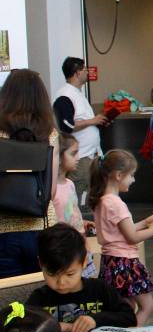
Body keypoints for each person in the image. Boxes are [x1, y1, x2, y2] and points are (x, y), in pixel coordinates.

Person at [89, 149, 153, 325]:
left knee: (126, 308)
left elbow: (120, 232)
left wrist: (147, 221)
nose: (133, 180)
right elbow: (132, 237)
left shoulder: (102, 201)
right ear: (119, 175)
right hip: (125, 263)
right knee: (147, 306)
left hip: (111, 262)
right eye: (132, 175)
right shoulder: (116, 204)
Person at [0, 69, 60, 278]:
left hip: (3, 231)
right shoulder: (49, 133)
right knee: (41, 295)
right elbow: (50, 190)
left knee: (8, 300)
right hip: (42, 227)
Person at [52, 57, 106, 217]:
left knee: (91, 187)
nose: (87, 72)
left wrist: (97, 121)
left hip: (90, 152)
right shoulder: (65, 95)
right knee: (76, 188)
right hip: (80, 154)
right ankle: (70, 219)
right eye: (84, 69)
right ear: (76, 72)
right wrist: (93, 120)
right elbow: (65, 125)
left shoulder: (77, 94)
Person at [53, 133, 97, 278]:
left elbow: (71, 211)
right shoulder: (52, 190)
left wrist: (82, 223)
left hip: (81, 244)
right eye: (73, 153)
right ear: (58, 157)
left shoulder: (70, 184)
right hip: (65, 248)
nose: (78, 157)